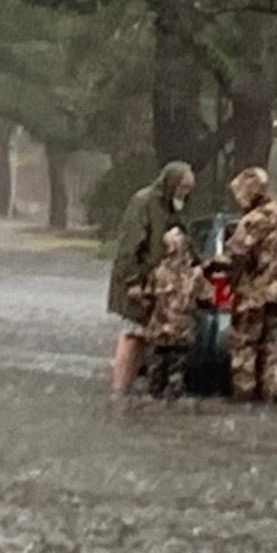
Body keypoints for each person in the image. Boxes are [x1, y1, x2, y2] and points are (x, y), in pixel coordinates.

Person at [209, 166, 277, 404]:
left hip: (252, 294)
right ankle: (271, 394)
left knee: (244, 346)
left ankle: (243, 396)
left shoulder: (253, 220)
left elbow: (234, 255)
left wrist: (209, 266)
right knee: (271, 346)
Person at [106, 161, 195, 392]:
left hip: (158, 284)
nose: (184, 193)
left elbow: (184, 241)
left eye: (188, 189)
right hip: (136, 280)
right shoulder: (143, 202)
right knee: (131, 334)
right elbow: (129, 245)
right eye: (182, 187)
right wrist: (132, 281)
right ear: (171, 182)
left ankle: (128, 388)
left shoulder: (173, 207)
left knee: (145, 336)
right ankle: (119, 388)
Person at [142, 226, 211, 399]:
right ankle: (174, 399)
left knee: (156, 369)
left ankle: (154, 396)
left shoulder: (158, 271)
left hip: (159, 328)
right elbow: (207, 299)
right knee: (177, 369)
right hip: (182, 330)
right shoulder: (195, 274)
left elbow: (147, 296)